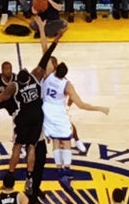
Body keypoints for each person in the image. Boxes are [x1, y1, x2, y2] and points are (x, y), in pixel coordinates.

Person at [0, 35, 62, 191]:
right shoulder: (35, 76)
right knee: (31, 147)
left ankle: (10, 175)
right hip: (37, 117)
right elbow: (45, 57)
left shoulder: (14, 86)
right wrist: (56, 40)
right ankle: (29, 179)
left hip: (23, 118)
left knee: (17, 147)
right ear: (28, 75)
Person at [42, 49, 109, 189]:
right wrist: (100, 108)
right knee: (65, 142)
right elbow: (82, 105)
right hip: (59, 112)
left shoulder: (48, 75)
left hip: (46, 110)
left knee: (55, 141)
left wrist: (43, 30)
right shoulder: (67, 85)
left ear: (55, 69)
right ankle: (66, 170)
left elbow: (45, 50)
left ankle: (59, 169)